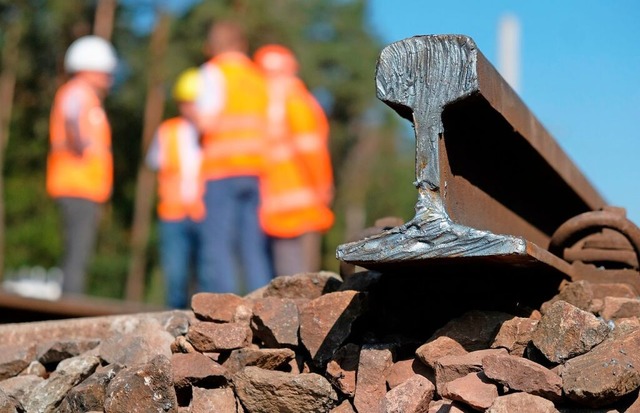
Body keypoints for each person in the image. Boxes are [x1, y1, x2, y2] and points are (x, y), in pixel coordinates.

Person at [195, 21, 272, 294]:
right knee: (253, 246)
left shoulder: (212, 73)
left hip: (221, 170)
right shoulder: (257, 77)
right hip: (254, 170)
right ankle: (263, 304)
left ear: (213, 46)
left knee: (218, 244)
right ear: (242, 45)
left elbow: (205, 121)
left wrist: (192, 118)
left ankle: (221, 312)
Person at [253, 44, 335, 276]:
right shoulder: (298, 102)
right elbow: (312, 150)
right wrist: (323, 186)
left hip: (275, 207)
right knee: (302, 281)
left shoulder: (265, 108)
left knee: (284, 280)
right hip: (304, 202)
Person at [46, 35, 117, 295]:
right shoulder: (78, 92)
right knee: (77, 255)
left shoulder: (82, 95)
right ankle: (68, 310)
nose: (109, 78)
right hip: (77, 185)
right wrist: (80, 142)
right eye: (106, 72)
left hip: (83, 186)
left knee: (77, 254)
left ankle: (69, 302)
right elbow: (73, 120)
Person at [145, 68, 205, 308]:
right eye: (186, 102)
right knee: (175, 278)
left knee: (205, 278)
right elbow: (154, 164)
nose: (189, 108)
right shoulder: (167, 131)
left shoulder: (212, 132)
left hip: (204, 214)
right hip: (173, 215)